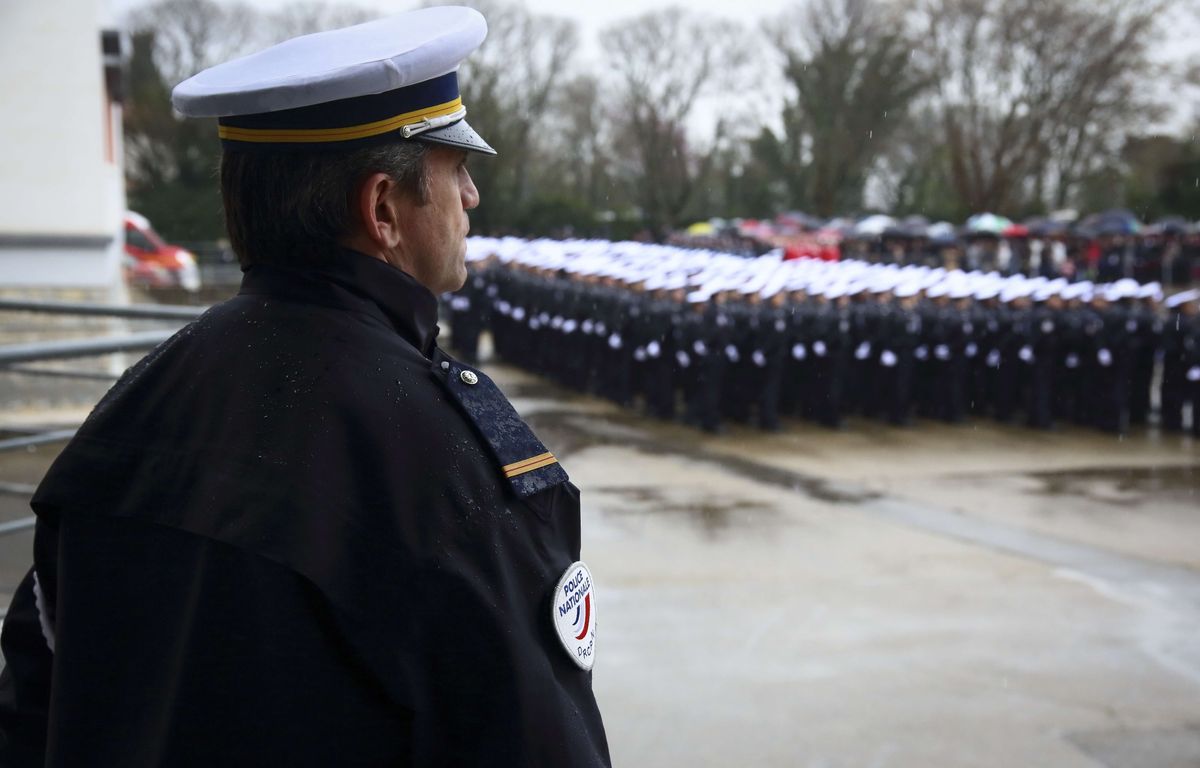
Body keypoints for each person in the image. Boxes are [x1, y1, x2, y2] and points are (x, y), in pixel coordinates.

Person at [0, 9, 610, 766]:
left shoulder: (133, 409)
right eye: (458, 171)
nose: (473, 198)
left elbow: (33, 703)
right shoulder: (438, 454)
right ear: (384, 209)